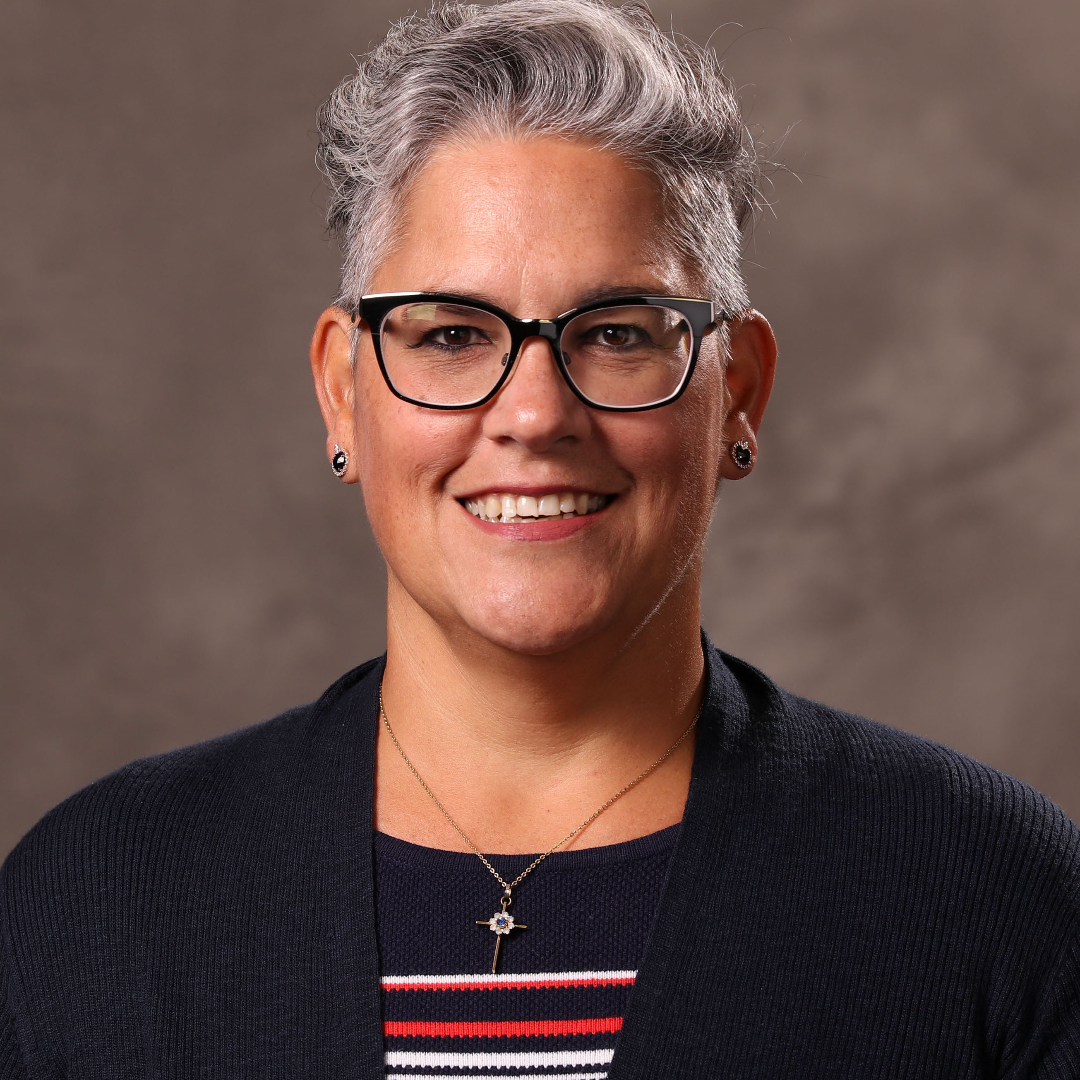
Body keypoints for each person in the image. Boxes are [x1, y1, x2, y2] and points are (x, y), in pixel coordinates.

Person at [2, 1, 1078, 1076]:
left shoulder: (996, 908)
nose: (533, 415)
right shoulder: (92, 909)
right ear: (342, 393)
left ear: (739, 392)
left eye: (615, 334)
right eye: (453, 334)